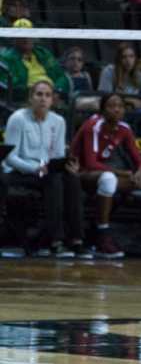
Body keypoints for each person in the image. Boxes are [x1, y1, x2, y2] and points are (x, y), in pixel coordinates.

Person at [72, 93, 141, 259]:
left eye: (120, 106)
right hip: (82, 174)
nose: (116, 109)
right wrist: (124, 173)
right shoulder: (92, 126)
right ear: (102, 110)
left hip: (109, 174)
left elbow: (140, 161)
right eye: (111, 106)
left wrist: (139, 172)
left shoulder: (124, 129)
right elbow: (91, 163)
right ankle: (102, 235)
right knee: (108, 179)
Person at [1, 81, 87, 258]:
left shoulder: (59, 121)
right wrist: (36, 168)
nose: (43, 99)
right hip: (19, 171)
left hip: (46, 169)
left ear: (52, 100)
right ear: (30, 98)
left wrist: (67, 165)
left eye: (47, 95)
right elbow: (10, 157)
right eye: (39, 94)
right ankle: (55, 241)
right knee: (52, 180)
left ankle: (77, 239)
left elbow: (57, 154)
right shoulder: (18, 118)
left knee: (72, 178)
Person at [0, 19, 69, 102]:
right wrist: (36, 93)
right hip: (29, 99)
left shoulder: (44, 54)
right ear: (14, 38)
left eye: (29, 34)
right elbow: (12, 87)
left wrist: (57, 91)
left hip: (54, 95)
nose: (26, 38)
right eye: (21, 35)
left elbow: (61, 76)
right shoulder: (6, 58)